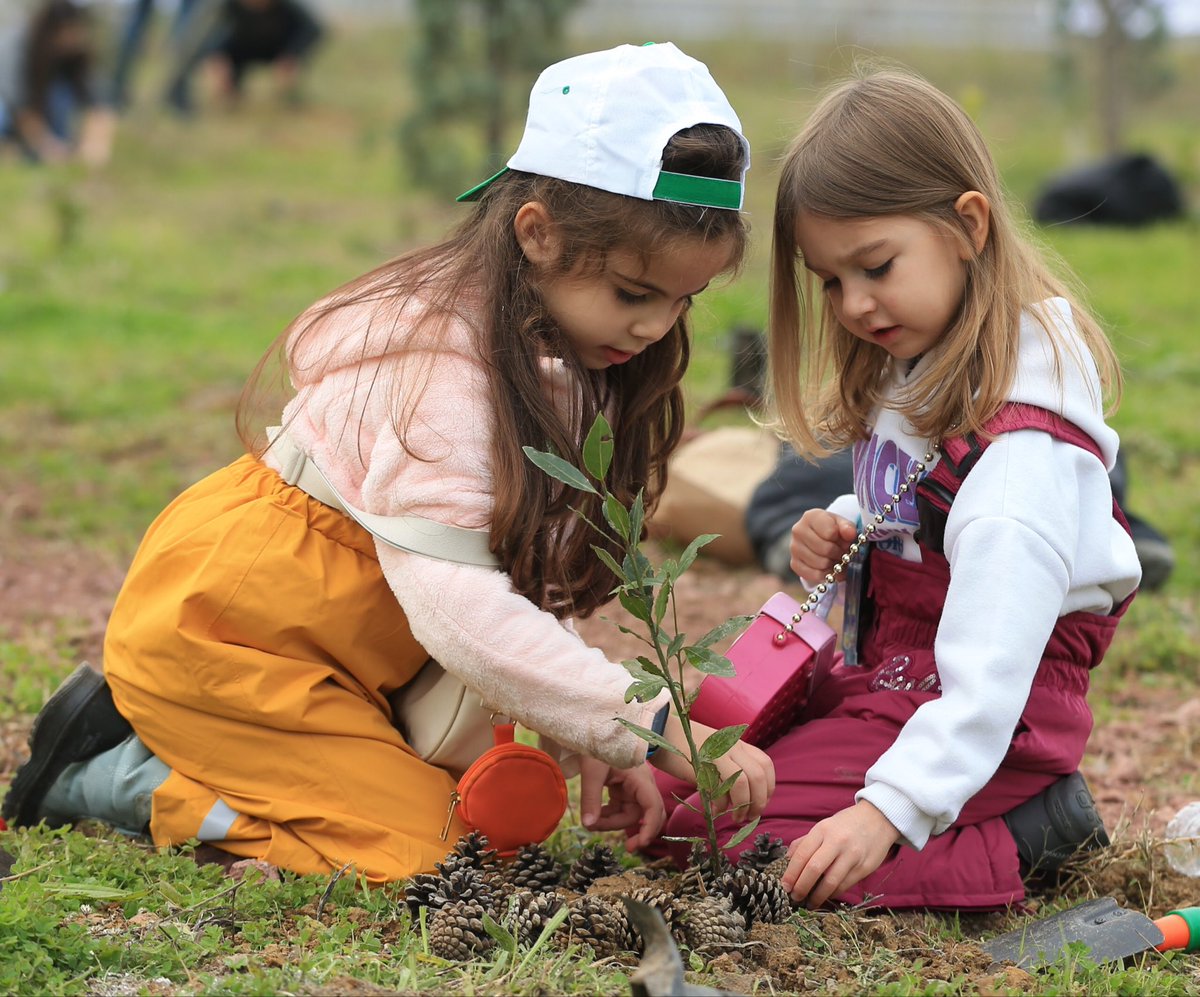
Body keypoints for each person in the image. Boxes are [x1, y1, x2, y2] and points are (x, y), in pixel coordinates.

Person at [2, 41, 774, 883]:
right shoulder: (433, 374)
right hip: (228, 642)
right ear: (538, 235)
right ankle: (125, 772)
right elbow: (460, 607)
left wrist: (592, 732)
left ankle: (253, 759)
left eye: (682, 301)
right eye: (635, 292)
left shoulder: (558, 355)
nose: (657, 328)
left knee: (497, 827)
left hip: (347, 660)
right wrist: (651, 722)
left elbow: (508, 576)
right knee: (430, 857)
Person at [656, 68, 1141, 911]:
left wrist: (888, 810)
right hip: (897, 676)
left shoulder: (1023, 463)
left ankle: (1030, 832)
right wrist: (851, 524)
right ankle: (921, 805)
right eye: (831, 280)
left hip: (994, 718)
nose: (852, 304)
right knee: (679, 792)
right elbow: (923, 509)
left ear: (967, 225)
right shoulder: (926, 354)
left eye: (874, 266)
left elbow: (988, 676)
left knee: (741, 844)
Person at [0, 0, 114, 166]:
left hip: (44, 120)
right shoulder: (14, 46)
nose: (72, 41)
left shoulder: (76, 55)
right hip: (12, 114)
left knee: (60, 94)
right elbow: (18, 108)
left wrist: (96, 147)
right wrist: (49, 148)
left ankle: (27, 147)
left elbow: (100, 104)